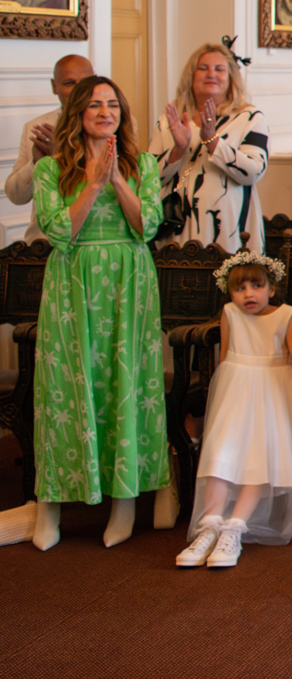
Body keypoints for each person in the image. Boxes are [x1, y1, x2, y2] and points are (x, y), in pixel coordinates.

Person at [30, 76, 167, 551]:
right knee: (66, 386)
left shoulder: (143, 164)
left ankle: (124, 501)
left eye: (112, 105)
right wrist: (92, 184)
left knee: (122, 382)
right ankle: (50, 504)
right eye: (94, 105)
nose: (105, 112)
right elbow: (58, 232)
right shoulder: (50, 169)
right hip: (72, 281)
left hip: (129, 280)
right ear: (77, 114)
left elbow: (147, 226)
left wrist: (118, 182)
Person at [176, 250, 292, 568]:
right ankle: (209, 527)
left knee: (258, 461)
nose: (248, 294)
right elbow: (226, 358)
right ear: (230, 294)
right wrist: (221, 400)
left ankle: (234, 529)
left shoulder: (285, 316)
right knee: (219, 456)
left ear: (271, 289)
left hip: (273, 393)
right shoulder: (230, 314)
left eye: (256, 286)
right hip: (237, 391)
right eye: (239, 288)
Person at [150, 43, 270, 253]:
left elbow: (253, 171)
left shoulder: (249, 118)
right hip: (176, 230)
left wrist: (213, 141)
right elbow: (149, 178)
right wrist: (179, 149)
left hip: (227, 228)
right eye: (203, 68)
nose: (211, 74)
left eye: (219, 69)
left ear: (231, 78)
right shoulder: (170, 119)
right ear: (191, 76)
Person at [5, 53, 92, 244]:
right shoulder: (35, 127)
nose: (78, 89)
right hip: (42, 243)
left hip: (92, 241)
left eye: (86, 82)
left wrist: (60, 156)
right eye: (69, 83)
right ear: (54, 86)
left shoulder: (115, 126)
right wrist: (35, 163)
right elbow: (16, 196)